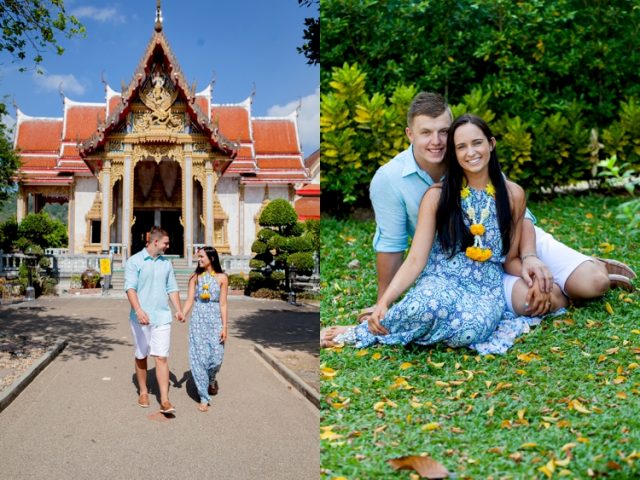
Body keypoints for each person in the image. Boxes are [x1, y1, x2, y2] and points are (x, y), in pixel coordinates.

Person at [354, 92, 635, 325]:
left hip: (515, 240)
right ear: (409, 134)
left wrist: (530, 256)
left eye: (443, 132)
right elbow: (392, 246)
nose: (437, 141)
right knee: (534, 299)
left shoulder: (472, 157)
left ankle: (591, 268)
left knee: (592, 283)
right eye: (426, 133)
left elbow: (519, 216)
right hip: (466, 265)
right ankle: (563, 287)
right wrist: (383, 302)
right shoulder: (390, 179)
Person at [328, 114, 532, 351]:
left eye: (477, 143)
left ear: (491, 144)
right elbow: (415, 260)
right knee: (424, 305)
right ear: (454, 155)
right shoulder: (438, 196)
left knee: (473, 329)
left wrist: (533, 272)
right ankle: (361, 332)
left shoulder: (513, 194)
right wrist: (384, 301)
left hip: (485, 289)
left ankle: (400, 329)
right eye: (461, 147)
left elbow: (510, 258)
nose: (471, 152)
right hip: (441, 279)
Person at [124, 226, 184, 413]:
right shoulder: (134, 261)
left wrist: (179, 310)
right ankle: (143, 391)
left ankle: (165, 400)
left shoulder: (166, 264)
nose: (167, 246)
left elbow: (172, 288)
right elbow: (130, 288)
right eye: (165, 243)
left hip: (162, 317)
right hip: (140, 318)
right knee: (142, 355)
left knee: (161, 357)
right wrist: (138, 310)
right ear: (155, 242)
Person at [181, 246, 228, 412]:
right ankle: (203, 396)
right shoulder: (195, 277)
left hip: (215, 319)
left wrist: (224, 327)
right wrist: (182, 313)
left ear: (212, 258)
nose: (199, 259)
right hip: (199, 320)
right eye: (198, 257)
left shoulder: (222, 278)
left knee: (216, 357)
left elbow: (223, 304)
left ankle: (212, 379)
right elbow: (189, 300)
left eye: (201, 257)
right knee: (199, 358)